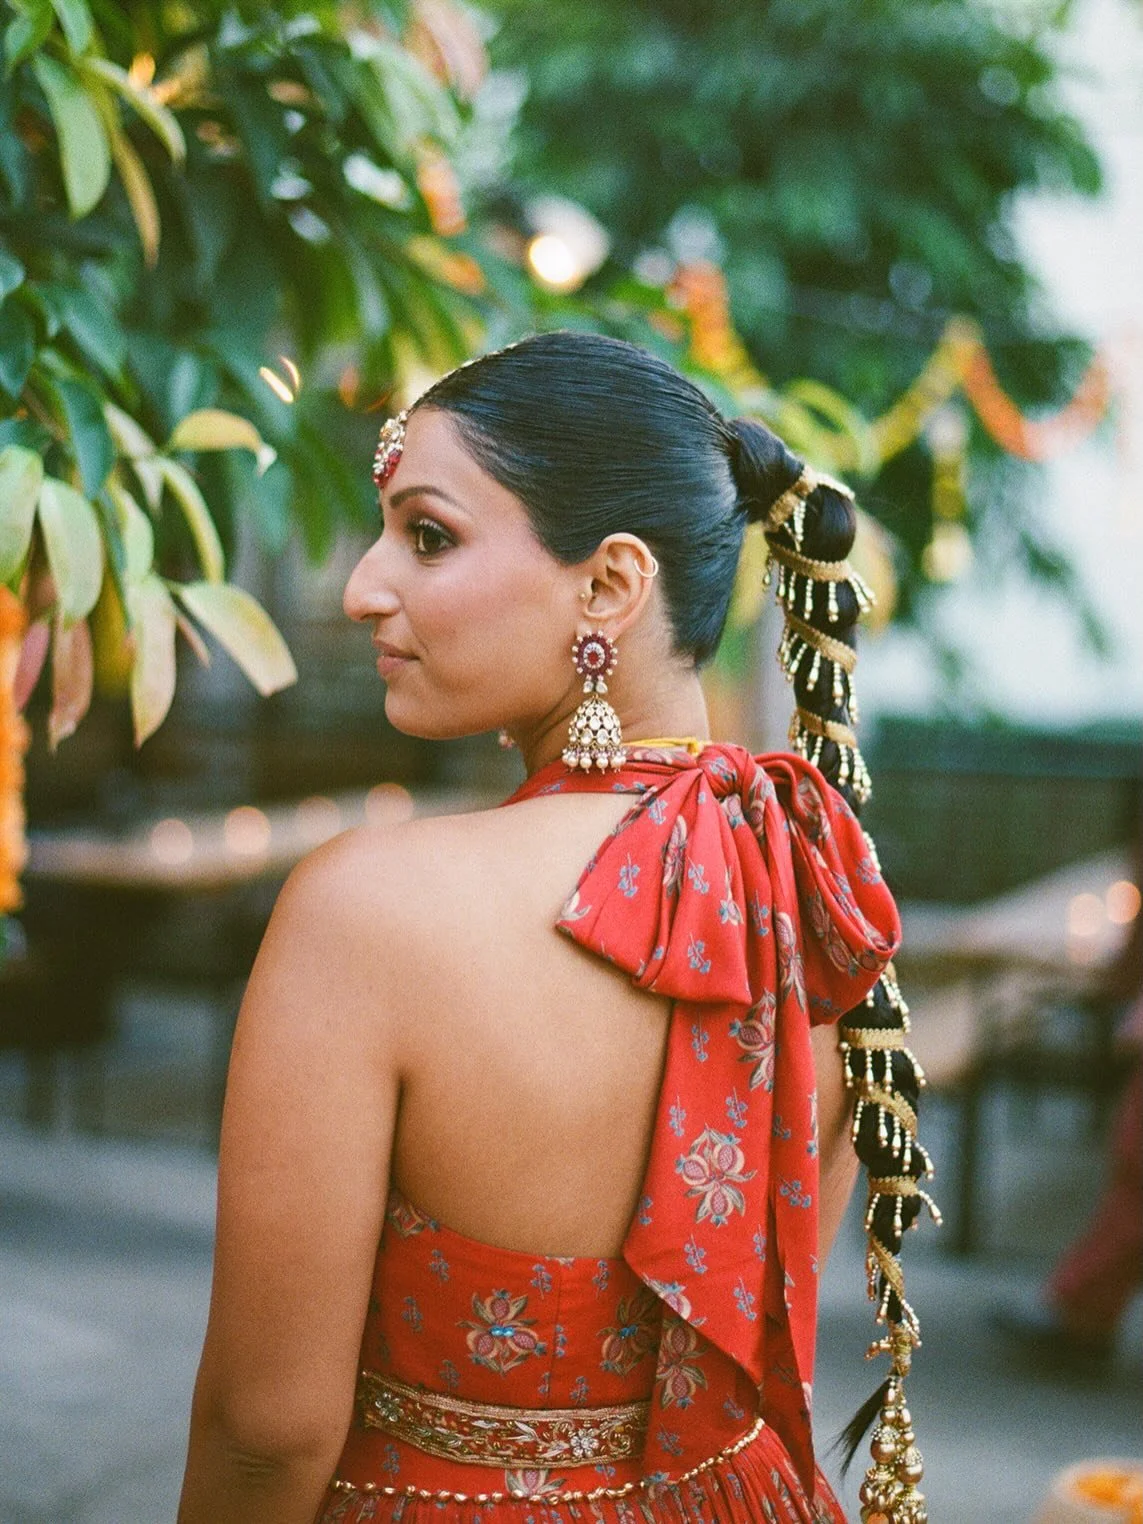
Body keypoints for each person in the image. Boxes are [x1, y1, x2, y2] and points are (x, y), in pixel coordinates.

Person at [177, 333, 932, 1524]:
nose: (361, 587)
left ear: (608, 587)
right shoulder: (814, 884)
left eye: (427, 536)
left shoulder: (367, 911)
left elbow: (268, 1431)